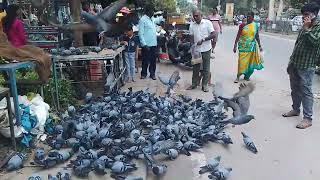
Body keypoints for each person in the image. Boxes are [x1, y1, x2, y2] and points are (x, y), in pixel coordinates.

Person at [282, 3, 320, 129]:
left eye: (307, 15)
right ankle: (295, 109)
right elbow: (298, 43)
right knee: (295, 89)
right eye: (303, 15)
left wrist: (307, 28)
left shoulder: (317, 26)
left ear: (314, 14)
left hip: (307, 65)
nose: (304, 17)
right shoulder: (305, 25)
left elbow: (315, 42)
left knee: (306, 92)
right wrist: (290, 62)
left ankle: (308, 118)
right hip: (296, 62)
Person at [187, 9, 215, 92]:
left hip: (206, 49)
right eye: (194, 16)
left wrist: (203, 39)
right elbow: (191, 37)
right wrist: (192, 47)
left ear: (201, 16)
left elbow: (214, 34)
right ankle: (194, 84)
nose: (195, 17)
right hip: (197, 50)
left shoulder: (207, 23)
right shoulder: (192, 25)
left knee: (206, 67)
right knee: (196, 67)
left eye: (197, 16)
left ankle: (205, 85)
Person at [233, 12, 263, 83]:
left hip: (252, 47)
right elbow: (238, 35)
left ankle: (247, 76)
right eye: (247, 17)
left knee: (250, 63)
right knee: (242, 62)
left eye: (249, 17)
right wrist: (235, 45)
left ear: (253, 17)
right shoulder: (242, 25)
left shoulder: (255, 25)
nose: (248, 18)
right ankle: (238, 76)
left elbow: (257, 36)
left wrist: (260, 46)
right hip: (242, 47)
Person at [138, 5, 164, 80]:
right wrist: (144, 44)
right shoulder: (143, 20)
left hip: (153, 44)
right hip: (146, 45)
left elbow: (157, 20)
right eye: (152, 11)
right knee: (145, 60)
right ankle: (143, 74)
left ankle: (152, 74)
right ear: (147, 12)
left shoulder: (152, 18)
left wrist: (163, 16)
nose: (153, 12)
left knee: (153, 61)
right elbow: (140, 34)